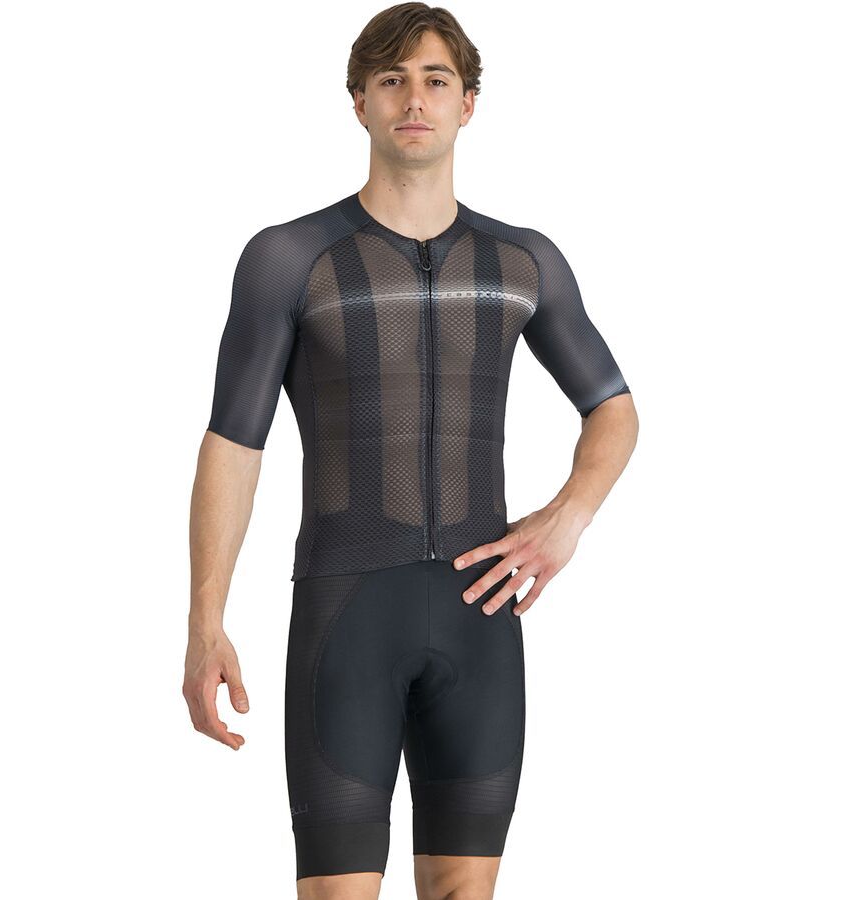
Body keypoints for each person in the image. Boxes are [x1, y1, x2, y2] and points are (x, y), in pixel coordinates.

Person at [183, 4, 638, 898]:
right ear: (359, 102)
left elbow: (613, 409)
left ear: (468, 104)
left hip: (481, 617)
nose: (414, 99)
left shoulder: (523, 261)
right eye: (392, 80)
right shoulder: (289, 258)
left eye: (436, 80)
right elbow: (233, 443)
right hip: (347, 614)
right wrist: (206, 622)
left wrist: (567, 518)